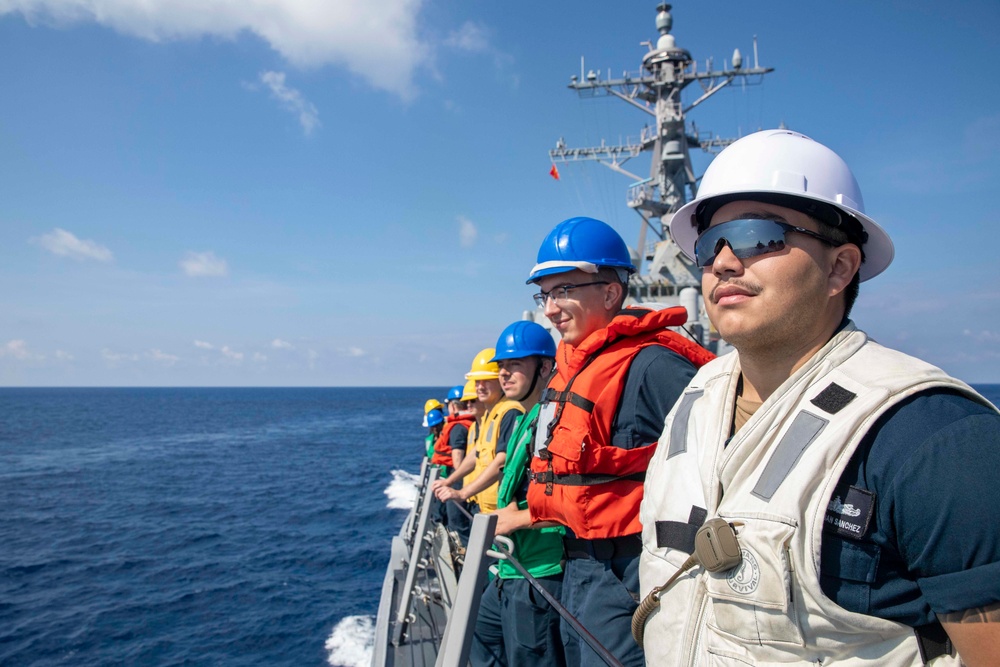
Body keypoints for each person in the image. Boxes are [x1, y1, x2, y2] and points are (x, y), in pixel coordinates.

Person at [638, 129, 1000, 666]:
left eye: (758, 236)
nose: (724, 263)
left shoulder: (934, 437)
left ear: (840, 268)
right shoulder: (696, 398)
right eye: (709, 244)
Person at [494, 216, 715, 667]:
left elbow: (720, 468)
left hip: (625, 573)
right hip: (578, 565)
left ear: (611, 293)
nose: (551, 308)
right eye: (546, 294)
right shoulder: (572, 366)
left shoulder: (654, 367)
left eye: (564, 291)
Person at [471, 320, 564, 667]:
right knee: (480, 634)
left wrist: (517, 519)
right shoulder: (527, 419)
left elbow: (568, 496)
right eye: (501, 367)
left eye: (515, 365)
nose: (504, 375)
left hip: (539, 571)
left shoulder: (553, 420)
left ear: (544, 367)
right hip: (511, 566)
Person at [434, 349, 523, 515]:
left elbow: (501, 462)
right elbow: (477, 454)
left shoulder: (509, 412)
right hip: (486, 507)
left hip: (501, 510)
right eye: (476, 381)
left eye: (486, 381)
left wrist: (462, 493)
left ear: (500, 379)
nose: (480, 387)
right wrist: (450, 481)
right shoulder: (489, 415)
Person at [431, 384, 477, 543]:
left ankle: (463, 562)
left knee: (458, 526)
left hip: (457, 482)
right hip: (468, 482)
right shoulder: (473, 423)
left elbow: (458, 462)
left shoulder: (457, 427)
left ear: (452, 405)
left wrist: (449, 483)